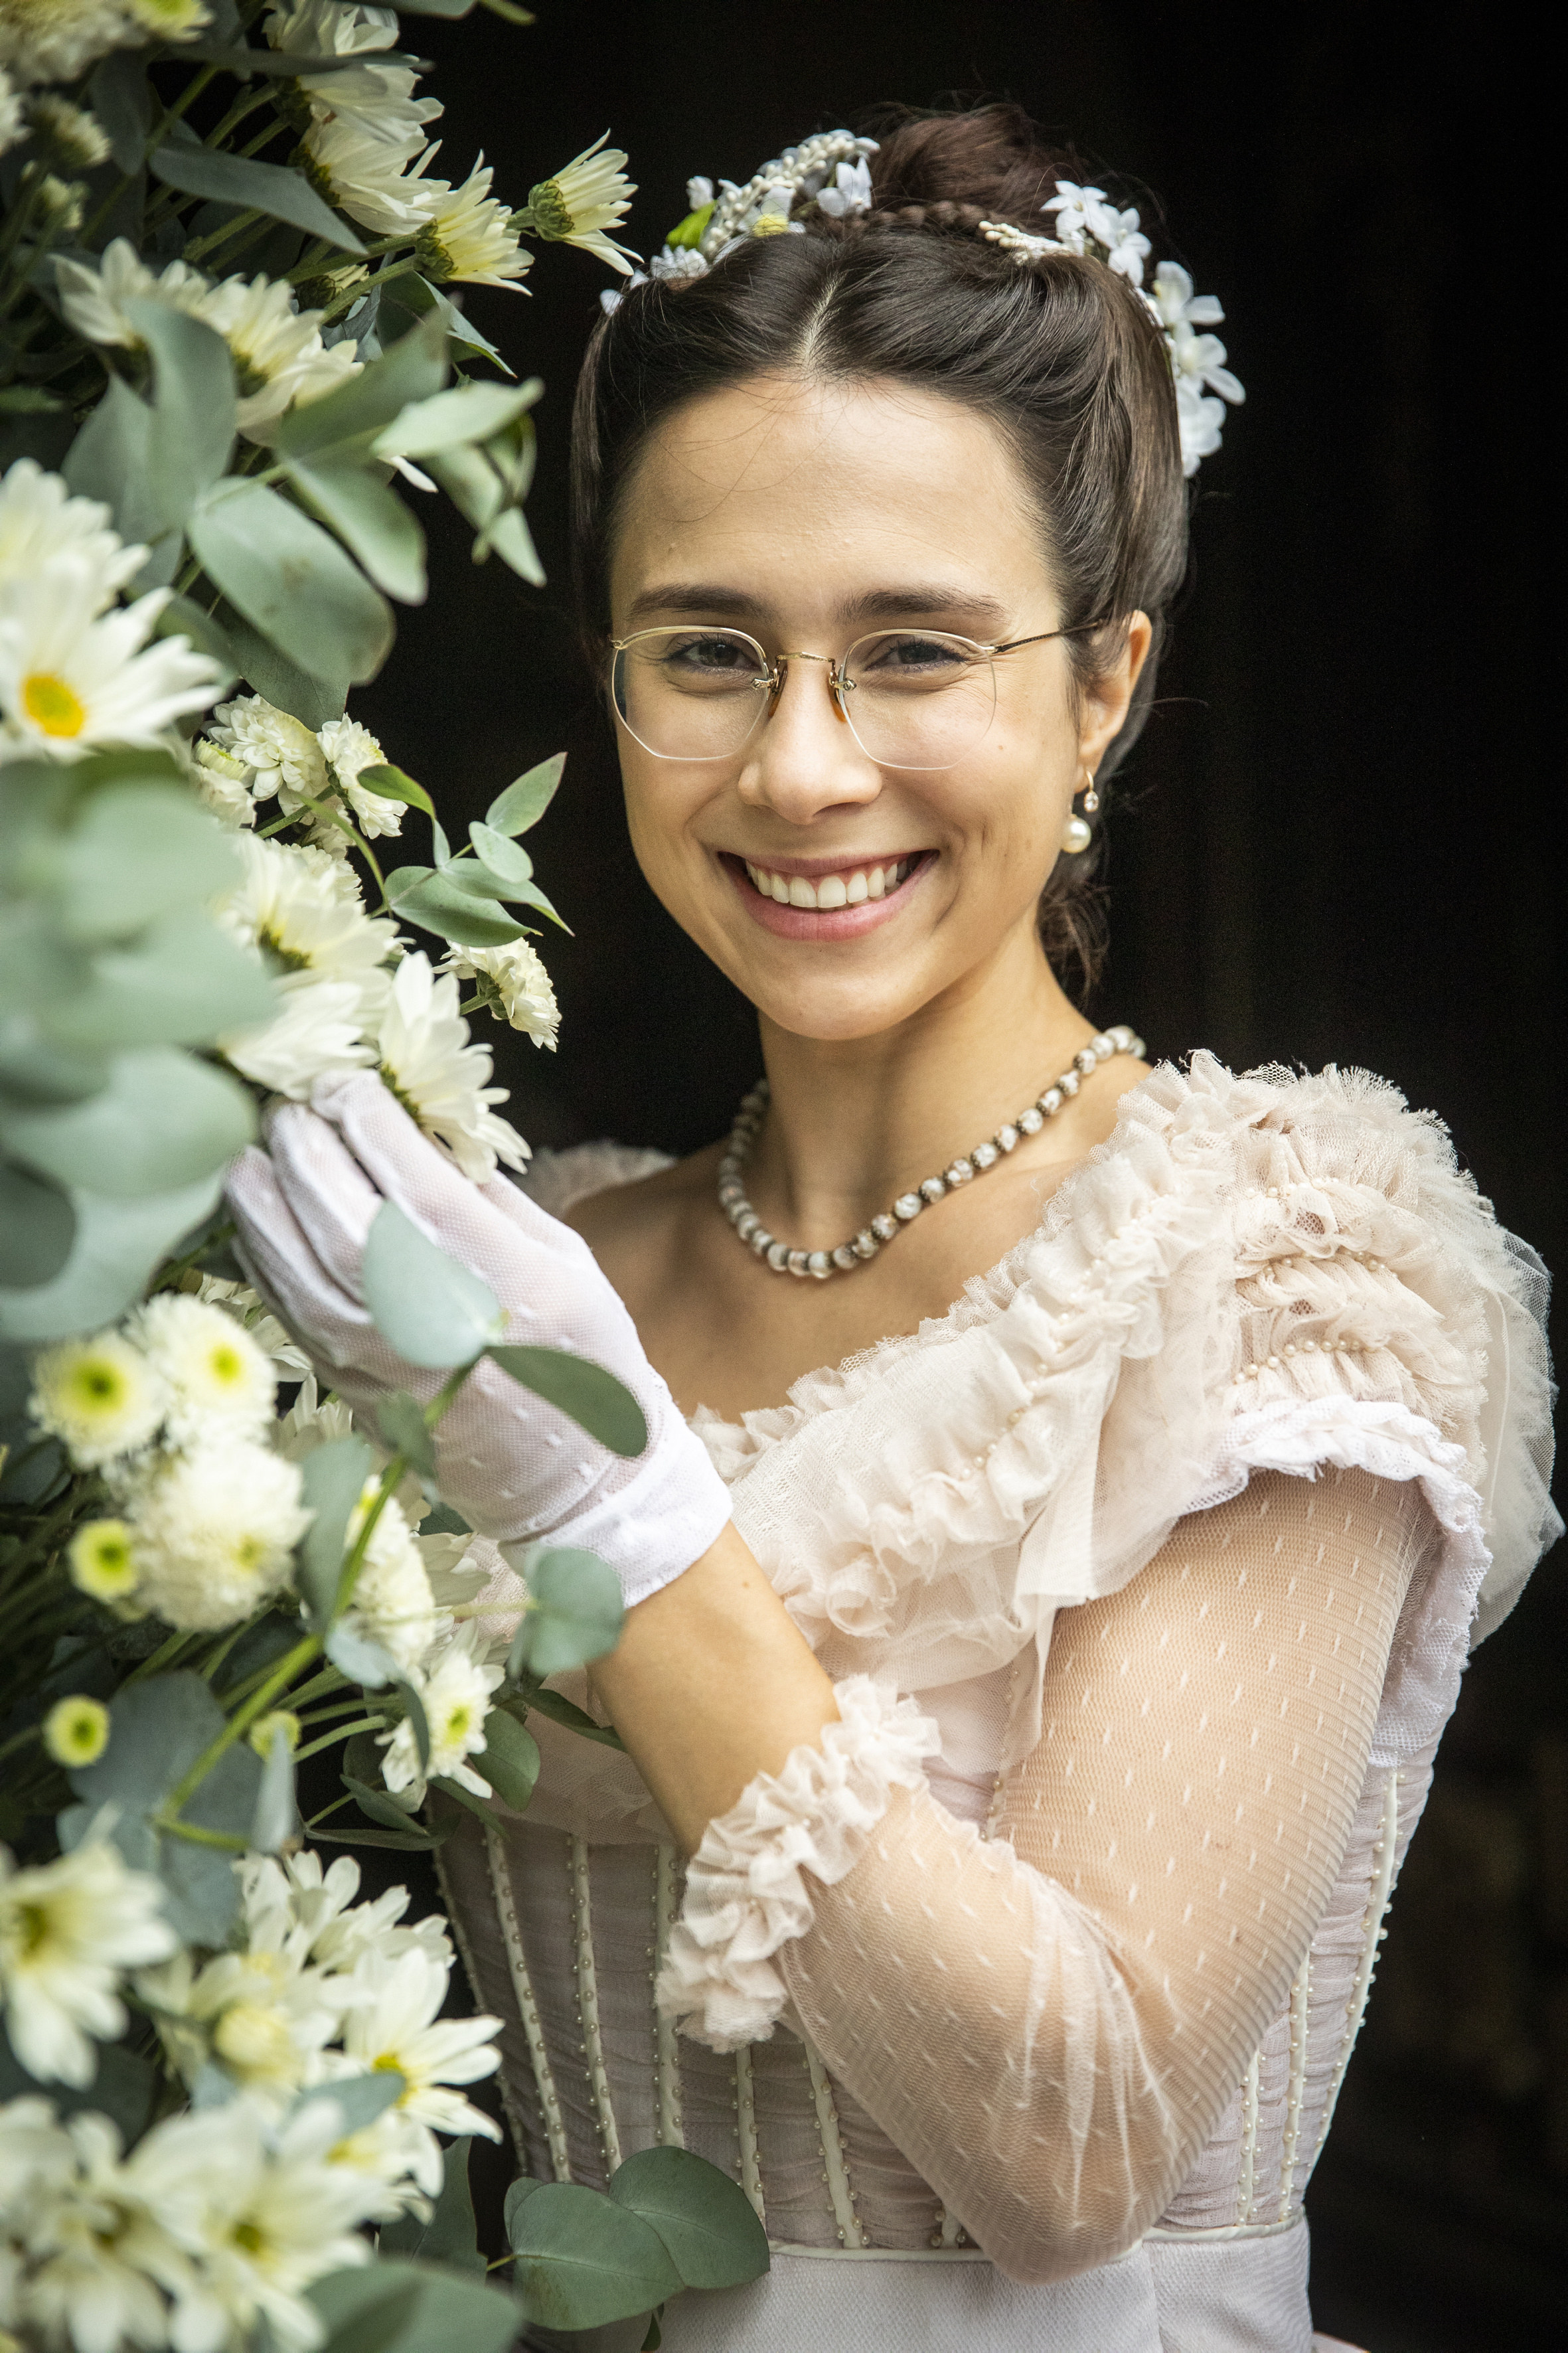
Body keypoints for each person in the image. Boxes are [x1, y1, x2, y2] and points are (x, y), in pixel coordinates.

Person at [228, 106, 1560, 2353]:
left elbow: (1071, 2141)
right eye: (708, 651)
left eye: (917, 650)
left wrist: (608, 1503)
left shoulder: (1280, 1269)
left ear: (1105, 689)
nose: (805, 769)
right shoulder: (532, 1261)